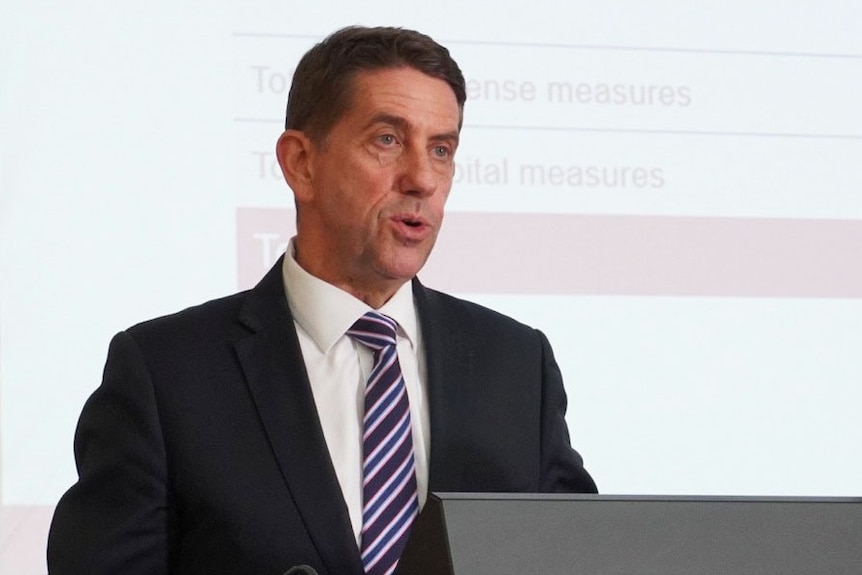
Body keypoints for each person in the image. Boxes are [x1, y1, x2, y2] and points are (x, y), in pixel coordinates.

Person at [47, 25, 597, 575]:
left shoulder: (517, 365)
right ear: (301, 164)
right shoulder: (166, 373)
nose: (422, 179)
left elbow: (586, 557)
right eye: (387, 140)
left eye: (441, 149)